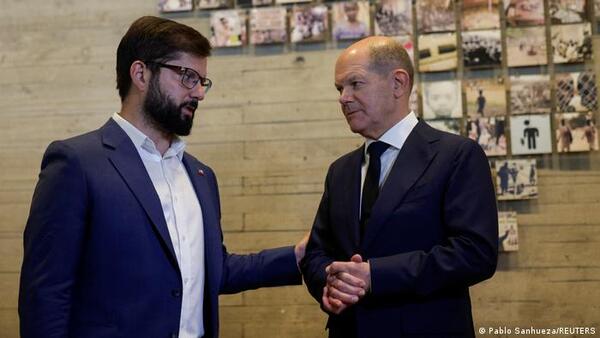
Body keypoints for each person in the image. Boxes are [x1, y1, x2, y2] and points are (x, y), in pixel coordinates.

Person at [19, 16, 307, 338]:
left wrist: (295, 257)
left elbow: (213, 270)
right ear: (141, 73)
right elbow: (46, 294)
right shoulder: (77, 163)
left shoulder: (201, 176)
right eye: (187, 77)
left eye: (202, 81)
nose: (199, 93)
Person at [300, 36, 498, 338]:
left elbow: (475, 253)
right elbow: (317, 251)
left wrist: (375, 276)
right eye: (340, 89)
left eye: (355, 84)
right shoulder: (340, 170)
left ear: (398, 83)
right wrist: (329, 283)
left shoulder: (456, 155)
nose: (343, 98)